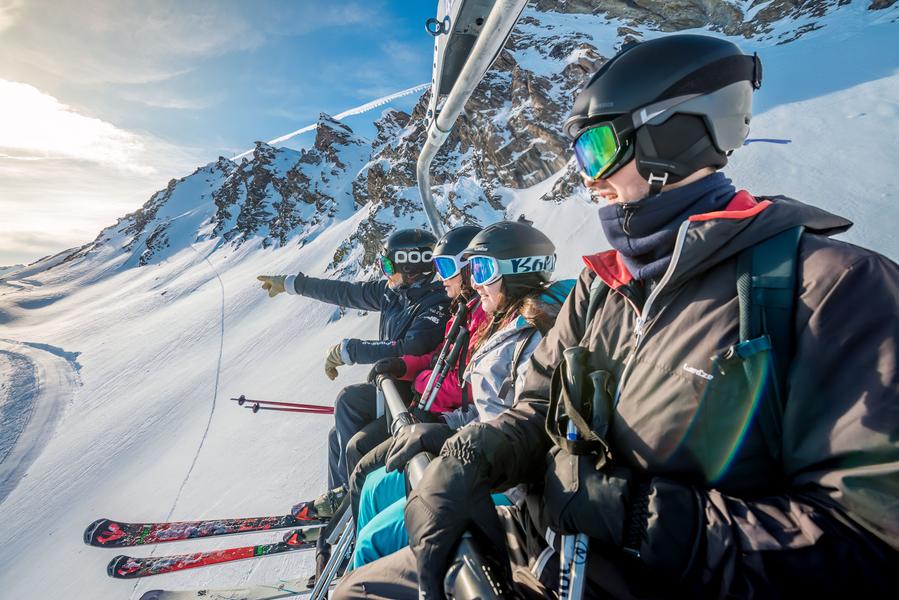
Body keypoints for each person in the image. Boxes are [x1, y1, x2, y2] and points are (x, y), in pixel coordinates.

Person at [334, 34, 899, 600]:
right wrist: (474, 454)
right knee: (358, 592)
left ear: (671, 134)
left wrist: (639, 520)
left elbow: (870, 541)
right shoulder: (604, 283)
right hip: (544, 553)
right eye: (577, 155)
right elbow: (537, 406)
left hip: (648, 583)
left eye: (596, 148)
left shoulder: (832, 290)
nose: (585, 177)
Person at [350, 219, 573, 569]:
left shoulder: (535, 340)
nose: (474, 282)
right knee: (375, 490)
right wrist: (442, 428)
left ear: (515, 273)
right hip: (477, 454)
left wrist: (450, 435)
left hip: (503, 479)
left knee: (374, 539)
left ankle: (371, 578)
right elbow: (480, 410)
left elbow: (521, 429)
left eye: (482, 270)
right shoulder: (498, 325)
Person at [257, 228, 450, 495]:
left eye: (387, 265)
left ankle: (352, 495)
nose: (384, 272)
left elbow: (411, 348)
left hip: (411, 393)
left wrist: (351, 351)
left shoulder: (436, 302)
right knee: (336, 437)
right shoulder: (395, 293)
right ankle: (338, 498)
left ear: (411, 265)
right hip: (392, 388)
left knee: (348, 400)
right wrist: (292, 284)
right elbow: (346, 292)